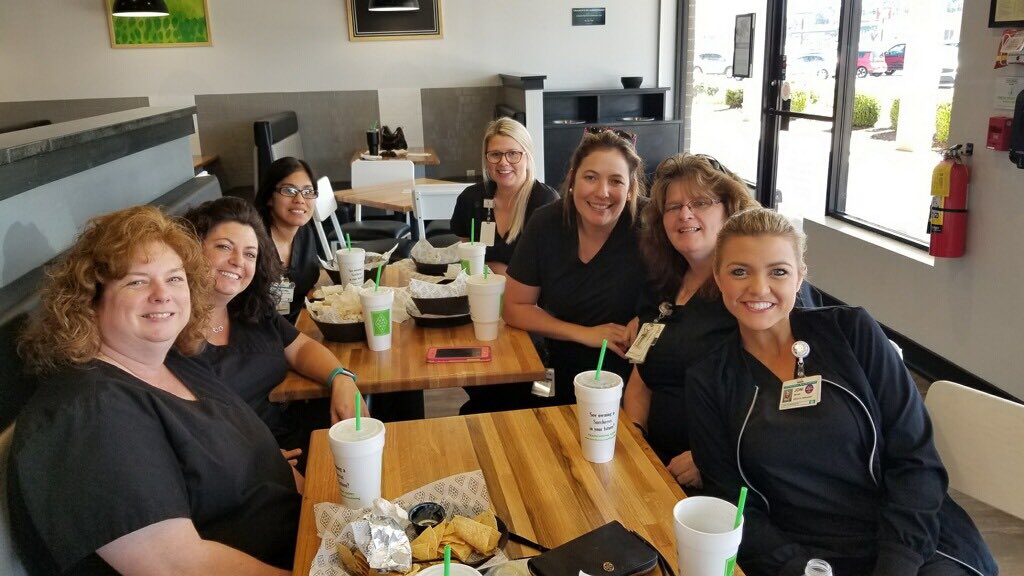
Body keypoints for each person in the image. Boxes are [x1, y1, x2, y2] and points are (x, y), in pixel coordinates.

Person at [685, 208, 997, 576]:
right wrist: (797, 566)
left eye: (778, 272)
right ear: (719, 279)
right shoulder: (709, 379)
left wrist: (897, 564)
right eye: (740, 271)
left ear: (800, 277)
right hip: (806, 558)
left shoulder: (852, 333)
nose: (758, 288)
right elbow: (733, 502)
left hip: (914, 546)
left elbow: (916, 459)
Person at [10, 206, 300, 574]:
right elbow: (178, 567)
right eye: (137, 281)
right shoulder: (86, 413)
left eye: (175, 279)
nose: (163, 295)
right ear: (90, 299)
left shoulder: (176, 362)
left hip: (305, 540)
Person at [184, 197, 366, 465]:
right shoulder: (172, 332)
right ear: (191, 248)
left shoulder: (251, 309)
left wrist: (341, 378)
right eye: (224, 247)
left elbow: (301, 348)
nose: (237, 261)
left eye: (249, 254)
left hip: (300, 440)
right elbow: (189, 430)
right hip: (246, 468)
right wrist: (249, 460)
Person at [622, 153, 759, 486]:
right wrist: (633, 439)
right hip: (654, 464)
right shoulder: (661, 285)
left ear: (730, 209)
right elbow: (641, 374)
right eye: (673, 207)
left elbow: (775, 393)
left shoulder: (752, 291)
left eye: (700, 202)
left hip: (723, 473)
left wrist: (711, 457)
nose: (685, 214)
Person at [504, 128, 646, 406]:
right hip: (554, 363)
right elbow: (514, 307)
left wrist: (648, 317)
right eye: (591, 177)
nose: (602, 192)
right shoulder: (546, 223)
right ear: (572, 181)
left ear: (630, 190)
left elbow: (684, 289)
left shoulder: (650, 225)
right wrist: (586, 334)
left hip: (629, 377)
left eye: (616, 181)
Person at [450, 118, 559, 275]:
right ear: (486, 159)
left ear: (528, 157)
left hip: (529, 298)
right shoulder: (470, 199)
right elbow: (468, 262)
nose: (503, 162)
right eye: (495, 154)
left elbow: (551, 270)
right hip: (481, 292)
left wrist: (501, 273)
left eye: (513, 154)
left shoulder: (546, 202)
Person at [252, 156, 321, 323]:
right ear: (269, 197)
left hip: (300, 323)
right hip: (261, 334)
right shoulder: (253, 243)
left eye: (307, 191)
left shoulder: (305, 233)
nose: (300, 200)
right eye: (289, 191)